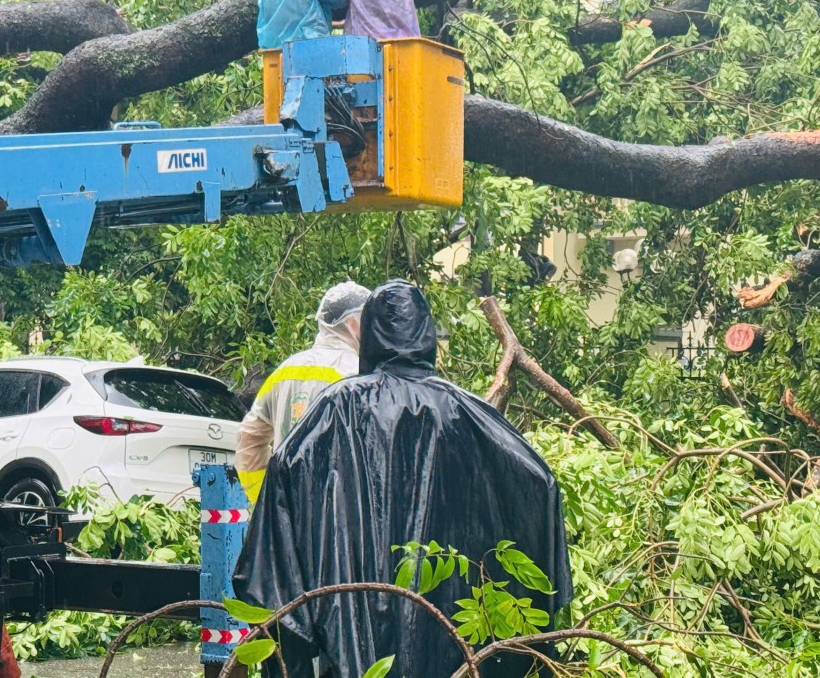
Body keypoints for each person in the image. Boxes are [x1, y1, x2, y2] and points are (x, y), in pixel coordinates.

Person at [234, 280, 572, 678]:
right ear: (427, 337)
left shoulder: (335, 408)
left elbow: (278, 472)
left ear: (371, 336)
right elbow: (539, 482)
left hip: (353, 635)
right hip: (451, 640)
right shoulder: (466, 411)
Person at [235, 281, 370, 504]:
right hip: (336, 515)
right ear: (352, 323)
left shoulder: (285, 371)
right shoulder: (358, 375)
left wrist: (264, 498)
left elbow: (249, 438)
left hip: (287, 511)